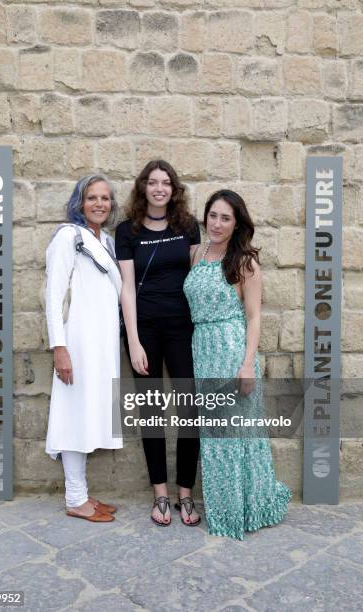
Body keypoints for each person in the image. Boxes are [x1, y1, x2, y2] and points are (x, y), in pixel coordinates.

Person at [183, 189, 291, 539]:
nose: (217, 223)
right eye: (212, 215)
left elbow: (254, 317)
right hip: (203, 349)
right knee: (214, 437)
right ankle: (224, 510)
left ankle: (247, 508)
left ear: (236, 223)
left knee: (238, 434)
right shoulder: (195, 253)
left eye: (225, 218)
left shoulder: (245, 262)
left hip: (232, 351)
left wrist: (247, 365)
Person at [115, 160, 201, 526]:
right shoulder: (126, 231)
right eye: (153, 182)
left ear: (174, 189)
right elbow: (127, 290)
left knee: (189, 413)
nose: (159, 188)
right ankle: (160, 495)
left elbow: (200, 277)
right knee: (151, 413)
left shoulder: (188, 227)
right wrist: (133, 341)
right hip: (145, 329)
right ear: (143, 188)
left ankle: (186, 495)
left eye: (166, 183)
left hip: (183, 329)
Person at [45, 174, 123, 522]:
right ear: (80, 202)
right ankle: (75, 499)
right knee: (73, 416)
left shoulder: (106, 240)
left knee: (90, 414)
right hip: (76, 341)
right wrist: (59, 348)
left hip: (102, 343)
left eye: (105, 198)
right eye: (92, 197)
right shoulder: (68, 237)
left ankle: (83, 492)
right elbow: (53, 296)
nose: (99, 204)